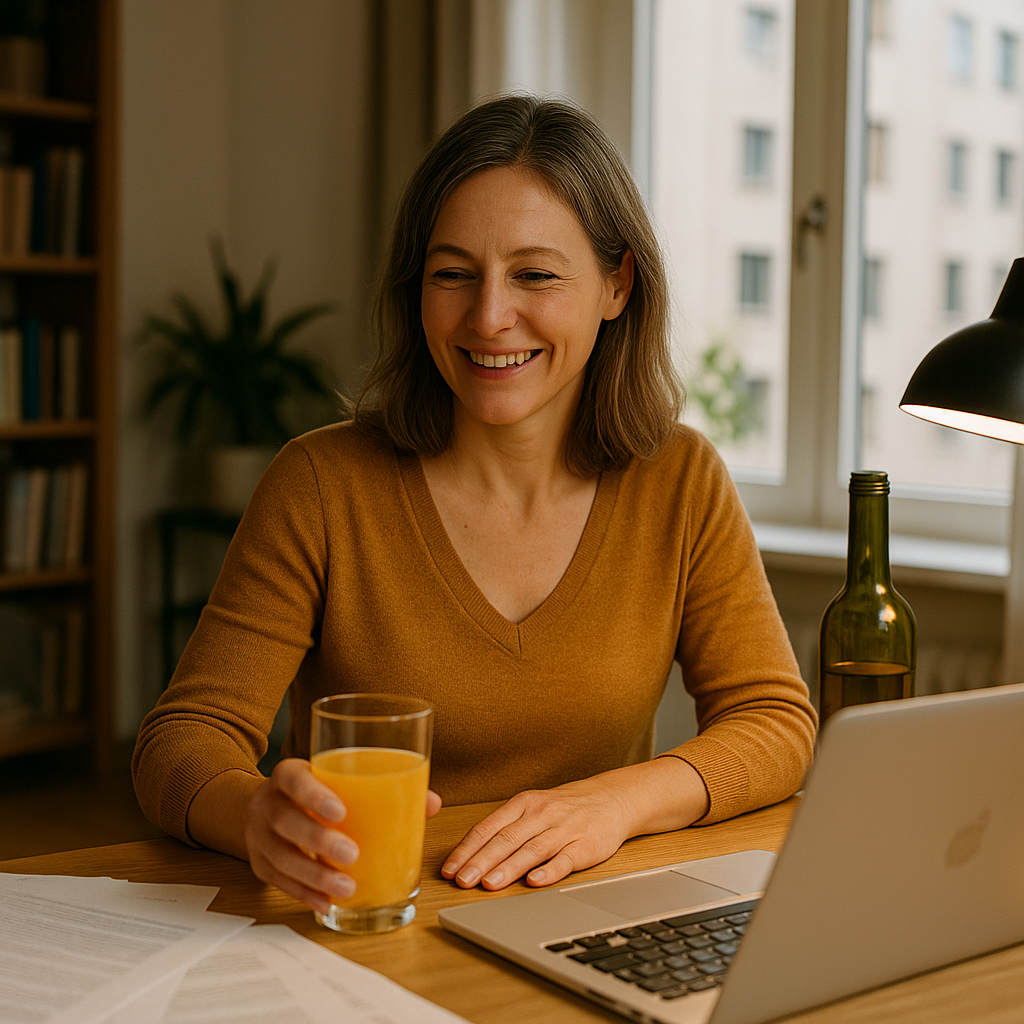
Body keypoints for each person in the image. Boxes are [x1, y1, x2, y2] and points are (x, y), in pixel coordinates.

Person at [133, 95, 816, 917]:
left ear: (617, 283)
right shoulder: (319, 483)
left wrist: (616, 803)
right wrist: (256, 818)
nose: (489, 317)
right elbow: (182, 741)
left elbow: (775, 722)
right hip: (368, 916)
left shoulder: (681, 480)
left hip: (582, 919)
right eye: (452, 274)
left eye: (535, 274)